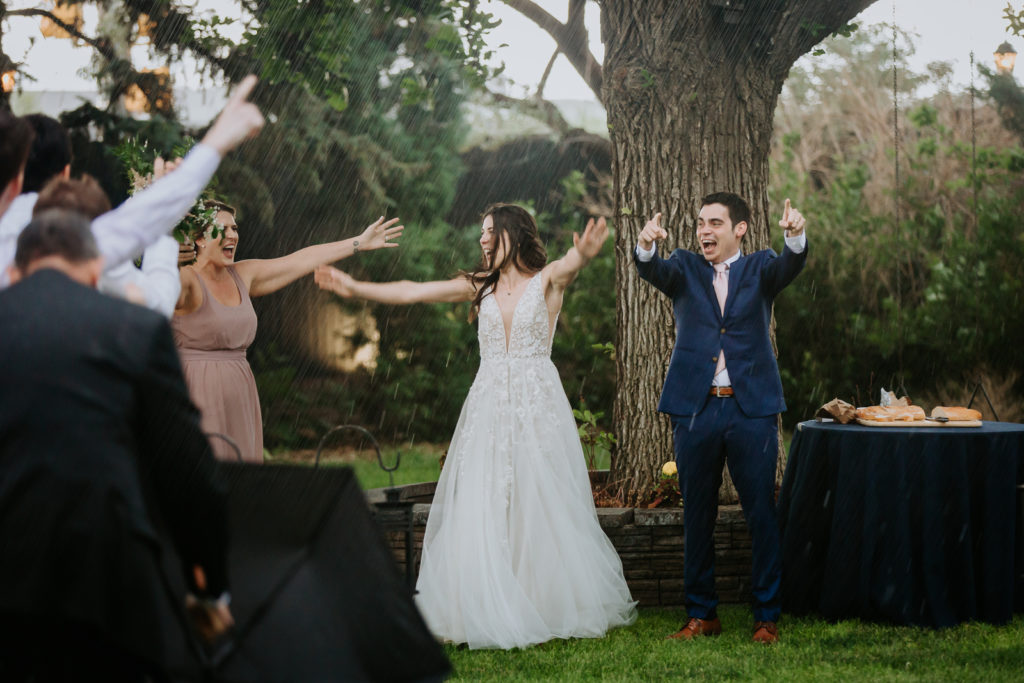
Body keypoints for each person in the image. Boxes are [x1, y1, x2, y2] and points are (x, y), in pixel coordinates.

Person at [315, 203, 637, 649]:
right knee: (485, 499)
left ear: (515, 234)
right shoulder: (478, 287)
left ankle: (540, 600)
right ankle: (483, 601)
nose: (482, 240)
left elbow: (566, 267)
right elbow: (413, 291)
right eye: (481, 233)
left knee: (536, 499)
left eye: (490, 232)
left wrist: (582, 254)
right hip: (487, 408)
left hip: (536, 407)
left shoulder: (544, 282)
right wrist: (355, 287)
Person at [0, 209, 232, 681]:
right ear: (93, 271)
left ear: (13, 272)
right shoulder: (135, 329)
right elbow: (186, 468)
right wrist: (207, 581)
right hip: (106, 577)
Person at [633, 192, 807, 645]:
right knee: (698, 516)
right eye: (700, 224)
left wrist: (795, 237)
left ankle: (765, 617)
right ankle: (701, 615)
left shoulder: (760, 268)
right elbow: (653, 269)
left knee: (761, 516)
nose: (704, 231)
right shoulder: (685, 268)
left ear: (739, 229)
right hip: (696, 409)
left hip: (752, 410)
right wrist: (647, 245)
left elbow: (790, 266)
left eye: (714, 223)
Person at [173, 202, 403, 463]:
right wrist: (164, 253)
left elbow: (300, 260)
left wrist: (358, 243)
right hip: (195, 390)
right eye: (222, 229)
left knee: (240, 479)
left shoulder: (243, 275)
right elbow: (151, 297)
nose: (232, 235)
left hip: (239, 390)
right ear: (199, 238)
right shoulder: (185, 279)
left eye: (234, 228)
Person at [0, 74, 265, 289]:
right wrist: (217, 142)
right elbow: (153, 299)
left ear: (14, 179)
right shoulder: (75, 247)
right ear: (66, 173)